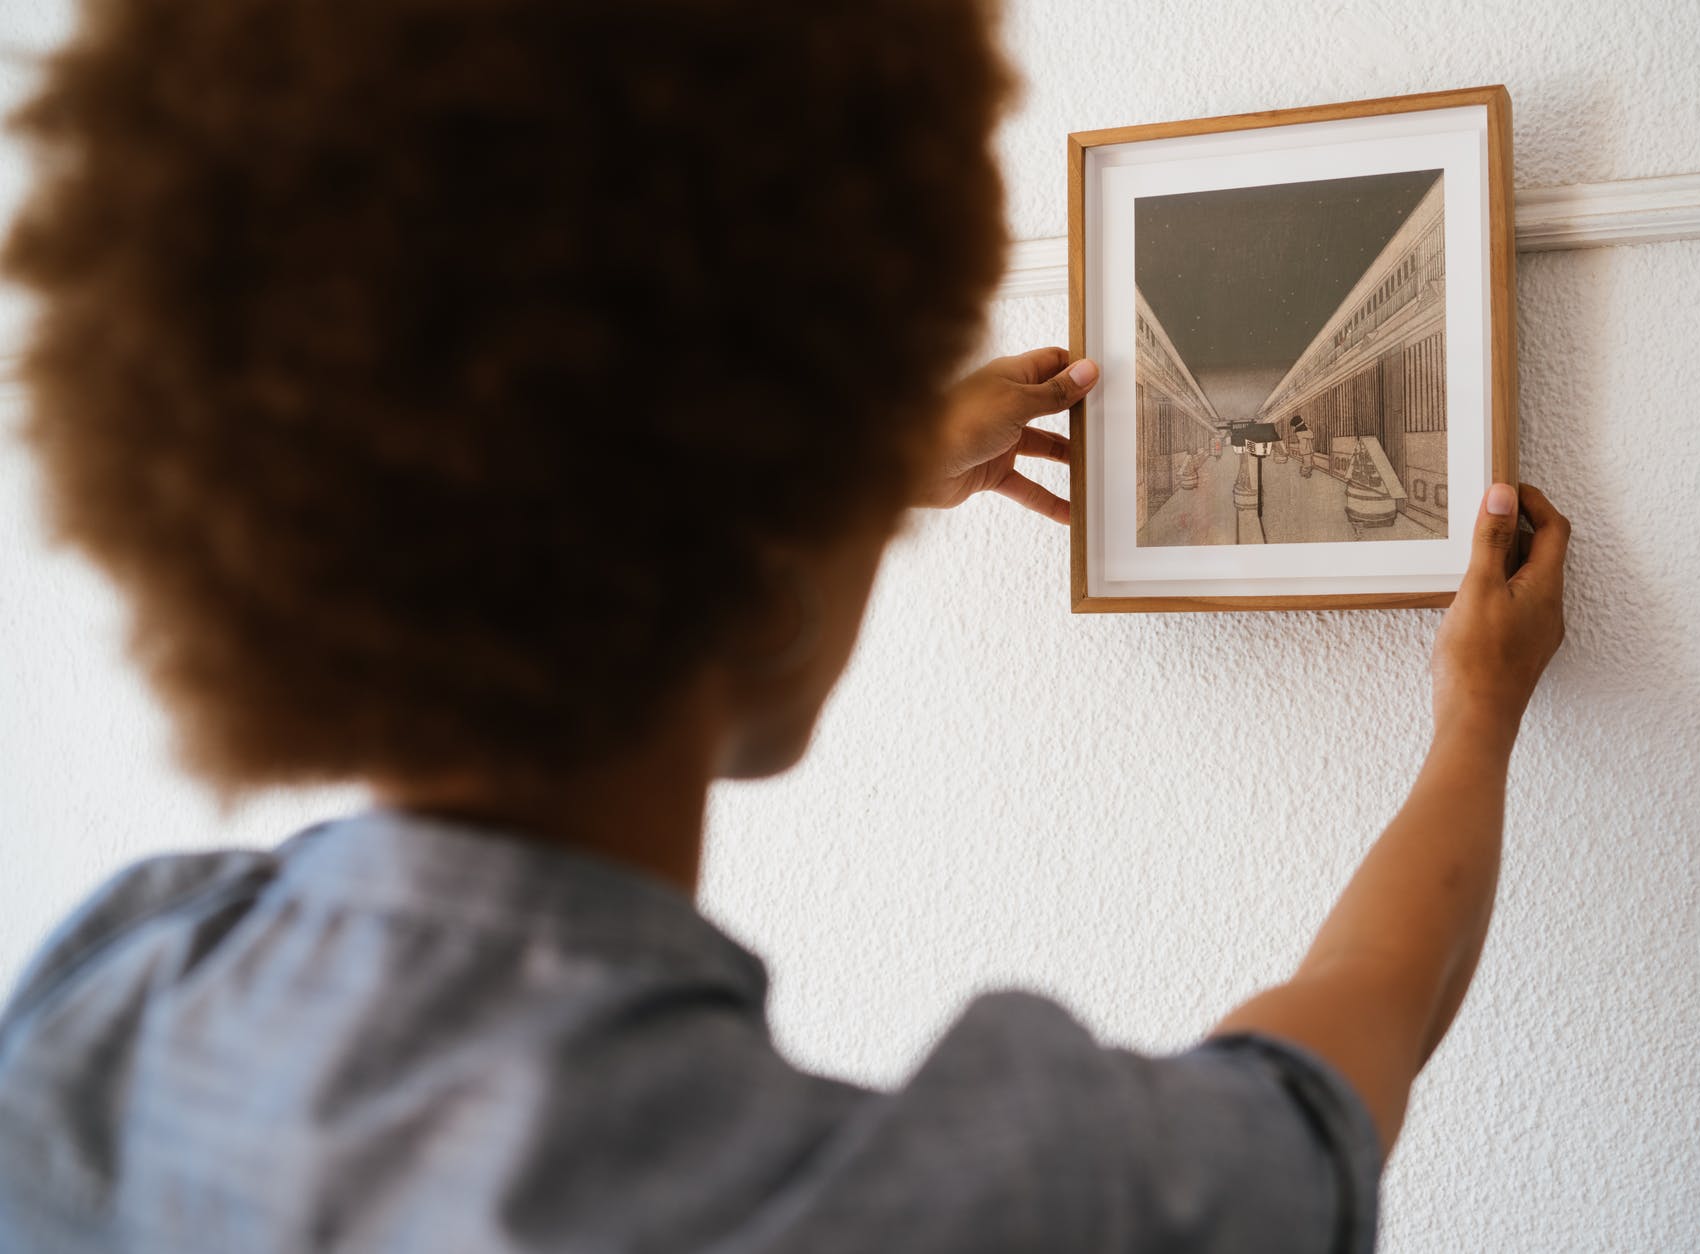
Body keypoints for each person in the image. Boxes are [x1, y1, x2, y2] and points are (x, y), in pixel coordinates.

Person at [0, 0, 1569, 1250]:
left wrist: (840, 469)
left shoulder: (122, 992)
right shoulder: (964, 1212)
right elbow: (1333, 1067)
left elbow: (572, 465)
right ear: (761, 577)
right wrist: (1474, 714)